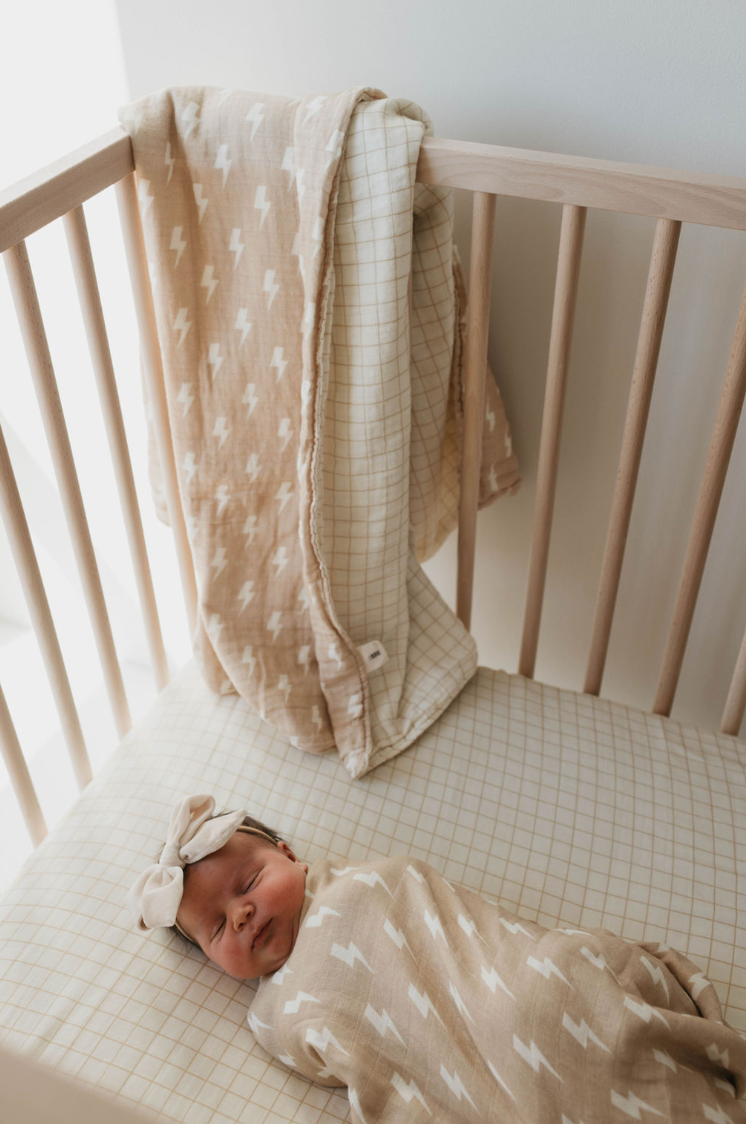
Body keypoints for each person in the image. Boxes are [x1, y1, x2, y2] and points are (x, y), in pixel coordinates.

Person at [129, 794, 746, 1123]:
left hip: (518, 991)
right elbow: (360, 1069)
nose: (240, 915)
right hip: (442, 1080)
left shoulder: (358, 883)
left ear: (292, 855)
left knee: (542, 999)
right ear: (212, 961)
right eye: (215, 928)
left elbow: (446, 922)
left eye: (249, 882)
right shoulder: (271, 1016)